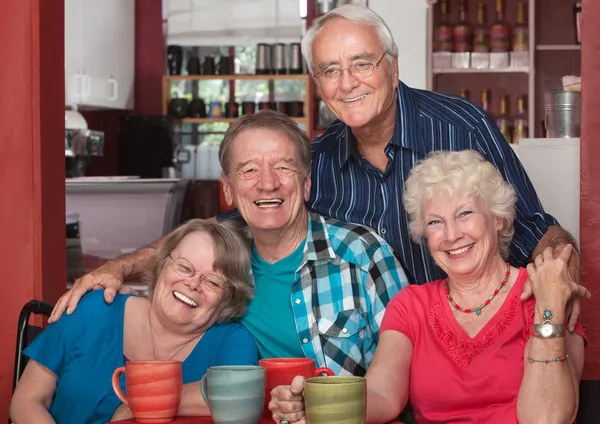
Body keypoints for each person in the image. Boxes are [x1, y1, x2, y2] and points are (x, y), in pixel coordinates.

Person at [49, 4, 588, 332]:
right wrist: (119, 269)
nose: (347, 82)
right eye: (330, 70)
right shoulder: (318, 161)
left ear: (392, 65)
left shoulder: (460, 126)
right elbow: (227, 230)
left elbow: (535, 229)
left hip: (476, 334)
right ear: (317, 83)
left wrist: (559, 277)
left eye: (361, 63)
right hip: (380, 354)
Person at [49, 111, 408, 377]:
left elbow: (411, 366)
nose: (267, 184)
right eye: (248, 170)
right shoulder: (217, 258)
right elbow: (173, 257)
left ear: (307, 182)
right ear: (228, 188)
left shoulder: (362, 253)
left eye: (283, 167)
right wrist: (118, 267)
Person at [269, 150, 587, 424]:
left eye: (465, 214)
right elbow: (381, 394)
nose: (451, 235)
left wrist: (548, 313)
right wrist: (317, 405)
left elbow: (548, 418)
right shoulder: (412, 306)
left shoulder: (548, 294)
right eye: (435, 222)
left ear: (498, 219)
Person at [10, 219, 258, 424]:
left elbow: (241, 396)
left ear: (229, 298)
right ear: (161, 266)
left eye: (212, 282)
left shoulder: (231, 340)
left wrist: (137, 405)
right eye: (184, 267)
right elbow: (27, 401)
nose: (193, 283)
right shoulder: (94, 308)